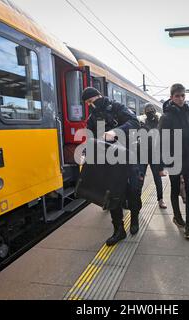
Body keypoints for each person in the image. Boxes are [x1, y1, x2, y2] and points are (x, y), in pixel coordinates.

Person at [81, 87, 142, 246]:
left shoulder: (116, 107)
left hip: (129, 155)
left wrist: (116, 131)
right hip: (110, 160)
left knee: (134, 190)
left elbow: (135, 122)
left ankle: (134, 218)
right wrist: (85, 153)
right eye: (87, 103)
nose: (90, 105)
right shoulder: (92, 118)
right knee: (114, 193)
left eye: (91, 101)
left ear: (98, 96)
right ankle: (118, 230)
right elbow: (90, 138)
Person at [159, 83, 189, 240]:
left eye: (183, 95)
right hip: (174, 159)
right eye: (177, 96)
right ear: (171, 97)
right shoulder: (166, 117)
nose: (181, 99)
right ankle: (177, 216)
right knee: (175, 189)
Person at [138, 103, 167, 209]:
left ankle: (160, 199)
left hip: (155, 155)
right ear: (145, 112)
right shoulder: (141, 123)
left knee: (157, 179)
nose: (149, 111)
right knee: (139, 178)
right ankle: (137, 199)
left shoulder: (159, 124)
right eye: (147, 109)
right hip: (143, 154)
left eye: (151, 109)